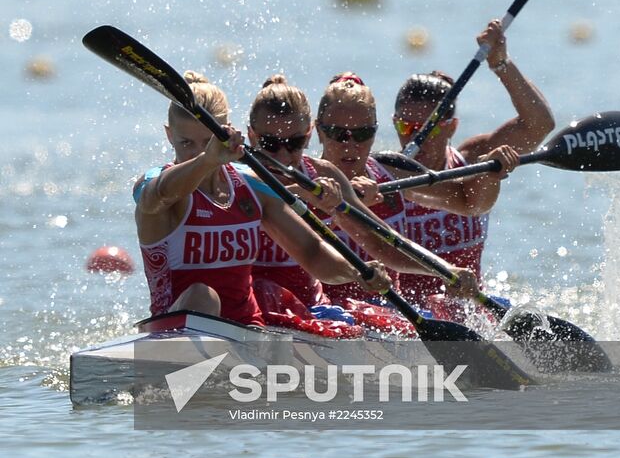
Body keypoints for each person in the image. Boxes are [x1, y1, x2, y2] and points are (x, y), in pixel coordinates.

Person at [132, 71, 391, 325]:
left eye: (207, 142)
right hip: (172, 328)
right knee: (203, 296)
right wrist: (208, 159)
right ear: (169, 136)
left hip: (248, 331)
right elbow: (156, 197)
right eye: (186, 143)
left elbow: (311, 252)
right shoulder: (154, 183)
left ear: (226, 133)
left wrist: (357, 272)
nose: (198, 151)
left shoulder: (251, 185)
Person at [248, 74, 488, 312]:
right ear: (251, 136)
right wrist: (302, 195)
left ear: (309, 135)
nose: (281, 157)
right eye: (269, 144)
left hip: (321, 312)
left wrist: (446, 270)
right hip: (263, 307)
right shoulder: (238, 179)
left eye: (294, 144)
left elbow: (385, 244)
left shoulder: (327, 176)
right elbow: (311, 250)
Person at [315, 71, 518, 309]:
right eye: (338, 135)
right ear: (318, 131)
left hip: (392, 315)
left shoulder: (393, 170)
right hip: (331, 310)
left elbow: (470, 203)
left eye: (362, 134)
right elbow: (310, 252)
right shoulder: (306, 185)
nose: (350, 145)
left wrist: (490, 175)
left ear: (375, 131)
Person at [392, 19, 555, 309]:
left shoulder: (472, 160)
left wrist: (501, 63)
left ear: (452, 127)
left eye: (429, 128)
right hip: (404, 315)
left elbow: (539, 124)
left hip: (468, 309)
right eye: (407, 127)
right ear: (395, 125)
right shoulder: (385, 175)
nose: (417, 137)